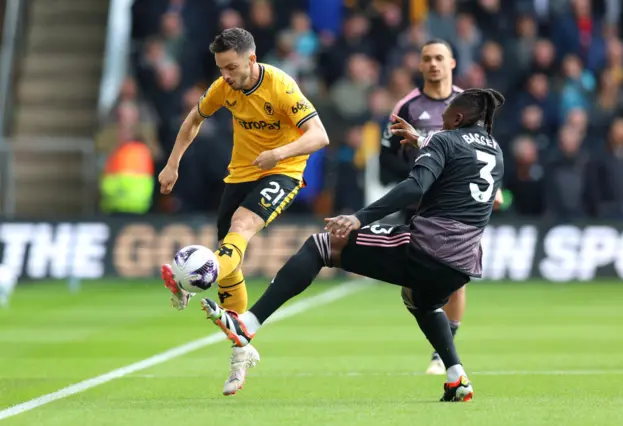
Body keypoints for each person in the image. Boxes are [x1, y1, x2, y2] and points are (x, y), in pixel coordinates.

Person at [200, 88, 506, 401]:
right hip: (463, 263)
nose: (441, 126)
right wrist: (422, 140)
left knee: (322, 245)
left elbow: (416, 186)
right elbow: (456, 153)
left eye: (444, 120)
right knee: (422, 302)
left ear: (456, 118)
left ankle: (246, 325)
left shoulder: (444, 140)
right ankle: (457, 378)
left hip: (428, 247)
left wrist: (360, 218)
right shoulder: (494, 150)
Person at [158, 27, 329, 395]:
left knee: (242, 224)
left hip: (282, 171)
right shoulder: (224, 88)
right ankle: (241, 351)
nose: (225, 76)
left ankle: (192, 278)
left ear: (252, 59)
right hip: (241, 173)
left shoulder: (281, 87)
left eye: (232, 68)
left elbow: (319, 135)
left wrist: (279, 154)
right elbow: (193, 120)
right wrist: (173, 164)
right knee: (228, 256)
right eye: (221, 68)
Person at [379, 38, 465, 375]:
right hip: (417, 205)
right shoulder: (407, 107)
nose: (433, 64)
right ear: (420, 65)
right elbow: (386, 160)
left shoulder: (469, 104)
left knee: (454, 278)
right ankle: (440, 342)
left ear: (452, 63)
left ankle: (443, 351)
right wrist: (418, 175)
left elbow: (485, 150)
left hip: (456, 204)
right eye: (427, 58)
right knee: (415, 283)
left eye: (439, 58)